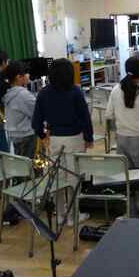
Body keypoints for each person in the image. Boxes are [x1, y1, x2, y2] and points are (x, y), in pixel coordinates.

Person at [32, 58, 93, 225]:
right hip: (74, 139)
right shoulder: (76, 91)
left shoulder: (43, 93)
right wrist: (89, 137)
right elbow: (85, 117)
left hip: (54, 140)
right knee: (74, 178)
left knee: (56, 178)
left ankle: (59, 215)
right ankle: (73, 216)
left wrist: (42, 136)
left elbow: (35, 122)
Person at [105, 57, 139, 220]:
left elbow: (109, 115)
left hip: (122, 140)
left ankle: (132, 213)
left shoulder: (116, 90)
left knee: (128, 178)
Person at [0, 61, 37, 159]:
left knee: (21, 161)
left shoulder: (10, 92)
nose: (29, 75)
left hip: (16, 135)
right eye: (26, 73)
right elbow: (38, 112)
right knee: (30, 164)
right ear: (19, 77)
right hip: (27, 135)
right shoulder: (22, 95)